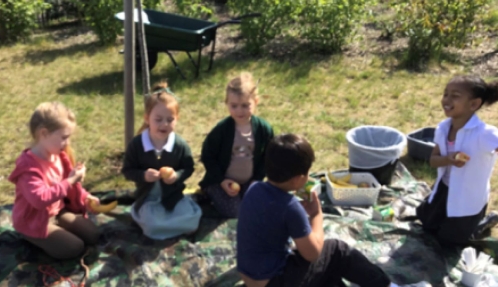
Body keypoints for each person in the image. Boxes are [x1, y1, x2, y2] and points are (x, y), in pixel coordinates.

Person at [237, 133, 430, 287]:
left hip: (250, 277)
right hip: (276, 281)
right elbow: (312, 254)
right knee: (337, 250)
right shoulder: (290, 207)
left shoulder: (254, 189)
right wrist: (316, 216)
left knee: (327, 268)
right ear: (297, 179)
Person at [8, 102, 100, 259]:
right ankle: (31, 237)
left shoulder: (58, 155)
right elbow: (40, 199)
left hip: (57, 211)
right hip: (34, 221)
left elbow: (67, 186)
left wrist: (85, 197)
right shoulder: (28, 166)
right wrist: (71, 180)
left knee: (93, 235)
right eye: (64, 137)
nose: (68, 143)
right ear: (44, 133)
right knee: (74, 248)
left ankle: (57, 233)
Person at [417, 75, 498, 245]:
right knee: (427, 227)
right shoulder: (442, 128)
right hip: (443, 191)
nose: (446, 99)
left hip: (467, 199)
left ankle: (480, 225)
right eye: (445, 94)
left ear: (474, 104)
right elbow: (433, 160)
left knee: (450, 243)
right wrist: (448, 159)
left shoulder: (485, 134)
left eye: (455, 95)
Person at [122, 82, 201, 240]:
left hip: (173, 196)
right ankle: (164, 226)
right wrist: (143, 175)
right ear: (147, 118)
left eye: (169, 119)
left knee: (192, 220)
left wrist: (176, 176)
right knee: (152, 225)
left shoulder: (179, 145)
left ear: (176, 119)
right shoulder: (137, 144)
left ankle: (172, 225)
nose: (164, 124)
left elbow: (188, 168)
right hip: (148, 198)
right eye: (158, 119)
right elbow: (127, 171)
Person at [199, 72, 274, 218]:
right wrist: (221, 180)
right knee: (238, 213)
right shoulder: (222, 130)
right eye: (234, 106)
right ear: (226, 103)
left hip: (249, 182)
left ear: (256, 102)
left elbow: (269, 155)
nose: (240, 111)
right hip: (222, 182)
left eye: (245, 105)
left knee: (262, 208)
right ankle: (211, 193)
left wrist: (257, 179)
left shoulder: (263, 129)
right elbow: (207, 155)